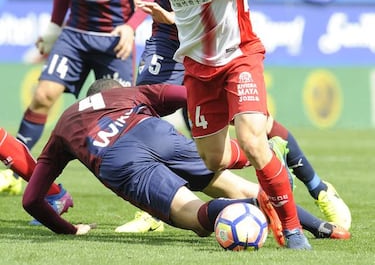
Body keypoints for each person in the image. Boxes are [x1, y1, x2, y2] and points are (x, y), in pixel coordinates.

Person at [75, 0, 351, 234]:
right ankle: (152, 208)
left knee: (251, 132)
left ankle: (316, 186)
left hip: (218, 45)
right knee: (143, 114)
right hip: (168, 36)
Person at [21, 78, 349, 243]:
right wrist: (244, 119)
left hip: (119, 159)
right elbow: (193, 99)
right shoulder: (131, 93)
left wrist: (69, 229)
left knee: (195, 218)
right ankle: (319, 226)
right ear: (113, 90)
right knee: (232, 185)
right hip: (151, 131)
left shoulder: (63, 126)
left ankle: (253, 207)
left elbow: (33, 199)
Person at [0, 0, 158, 195]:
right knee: (43, 95)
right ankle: (15, 173)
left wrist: (131, 27)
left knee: (124, 118)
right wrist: (53, 29)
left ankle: (146, 194)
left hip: (114, 42)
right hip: (75, 35)